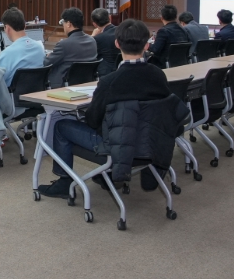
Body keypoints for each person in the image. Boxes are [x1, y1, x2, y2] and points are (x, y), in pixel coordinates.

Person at [37, 18, 171, 199]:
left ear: (117, 44)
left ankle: (64, 181)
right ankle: (107, 174)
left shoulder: (109, 82)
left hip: (116, 145)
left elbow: (93, 120)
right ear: (147, 45)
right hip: (149, 141)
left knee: (61, 126)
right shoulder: (159, 75)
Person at [44, 7, 97, 89]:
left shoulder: (64, 45)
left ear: (68, 24)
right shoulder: (92, 41)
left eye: (63, 23)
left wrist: (48, 55)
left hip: (63, 87)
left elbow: (46, 63)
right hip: (87, 84)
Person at [0, 8, 45, 87]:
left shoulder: (6, 54)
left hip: (12, 94)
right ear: (25, 25)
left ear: (7, 28)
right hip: (37, 93)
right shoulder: (40, 48)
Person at [148, 4, 187, 68]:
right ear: (176, 17)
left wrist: (147, 45)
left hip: (162, 65)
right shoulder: (183, 31)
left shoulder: (163, 31)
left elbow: (155, 49)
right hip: (180, 64)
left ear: (162, 18)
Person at [90, 8, 119, 77]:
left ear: (94, 24)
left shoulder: (97, 38)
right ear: (110, 17)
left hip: (105, 74)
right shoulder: (122, 31)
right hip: (121, 70)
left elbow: (88, 51)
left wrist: (92, 36)